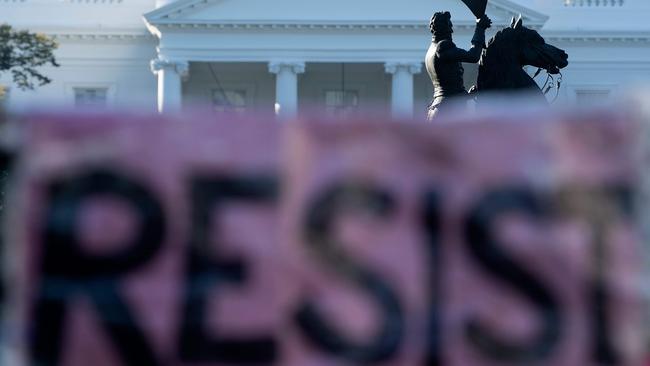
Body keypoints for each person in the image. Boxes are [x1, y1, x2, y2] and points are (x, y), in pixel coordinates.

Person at [425, 11, 492, 120]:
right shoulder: (443, 46)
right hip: (450, 108)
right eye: (450, 26)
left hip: (436, 106)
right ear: (445, 28)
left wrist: (465, 94)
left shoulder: (430, 50)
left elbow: (448, 86)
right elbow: (473, 56)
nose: (451, 30)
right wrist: (480, 28)